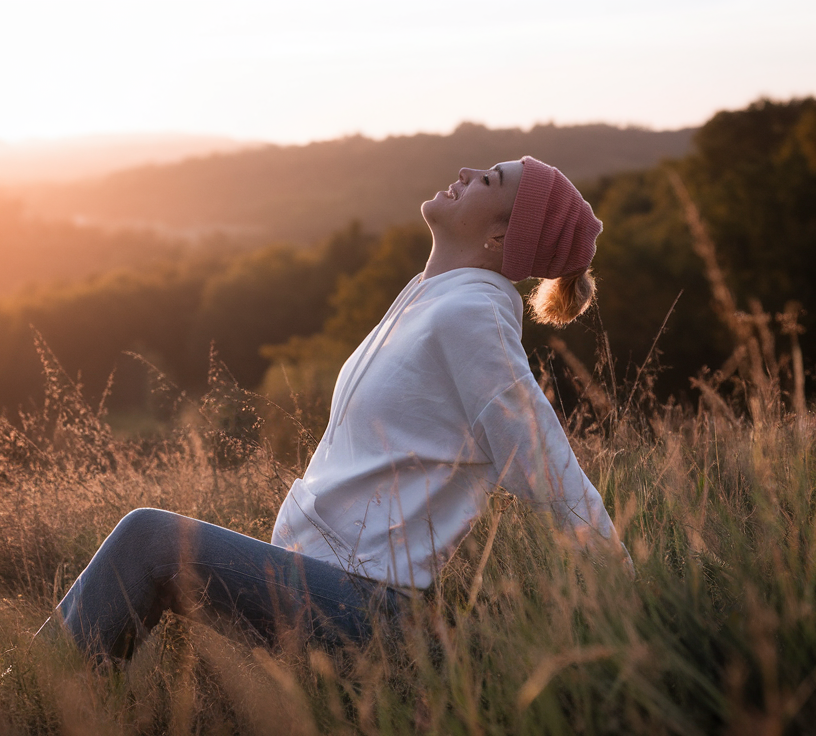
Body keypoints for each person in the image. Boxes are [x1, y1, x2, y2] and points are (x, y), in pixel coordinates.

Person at [41, 155, 626, 662]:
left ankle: (41, 689)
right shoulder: (428, 301)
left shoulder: (472, 315)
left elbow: (542, 460)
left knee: (148, 539)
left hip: (366, 609)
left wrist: (627, 593)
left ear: (502, 235)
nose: (466, 173)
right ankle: (68, 699)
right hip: (326, 583)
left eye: (488, 180)